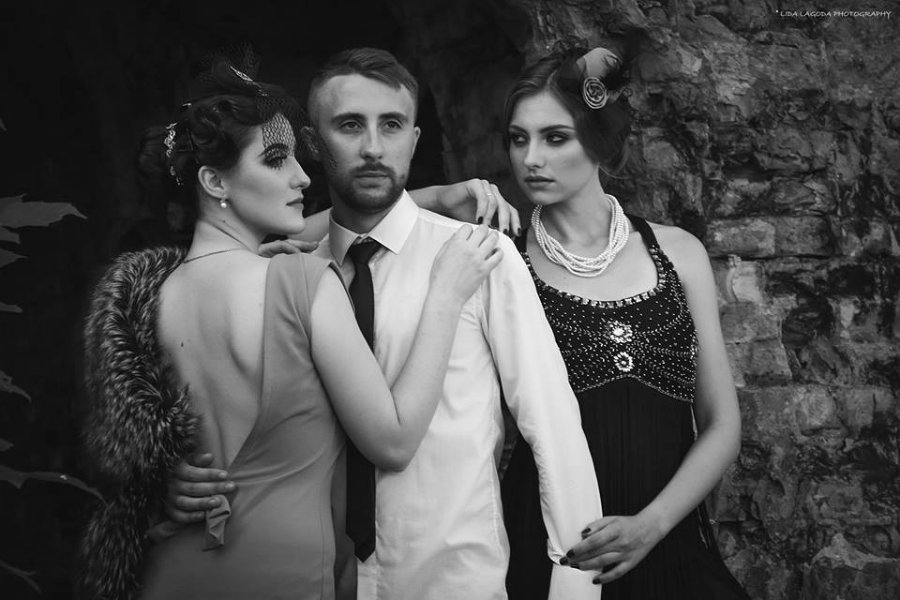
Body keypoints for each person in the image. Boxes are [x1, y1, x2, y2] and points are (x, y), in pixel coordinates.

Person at [166, 47, 604, 600]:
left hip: (452, 582)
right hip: (314, 579)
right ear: (313, 144)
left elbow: (553, 425)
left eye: (391, 125)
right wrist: (174, 479)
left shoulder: (477, 255)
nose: (374, 147)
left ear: (415, 141)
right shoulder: (286, 277)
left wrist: (576, 586)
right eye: (351, 125)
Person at [79, 59, 503, 600]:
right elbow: (393, 442)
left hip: (173, 574)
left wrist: (432, 198)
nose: (303, 177)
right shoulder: (300, 282)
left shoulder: (150, 300)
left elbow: (328, 224)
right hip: (280, 577)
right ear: (214, 181)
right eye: (277, 160)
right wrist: (446, 294)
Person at [499, 46, 751, 599]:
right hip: (555, 555)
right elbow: (328, 230)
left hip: (670, 544)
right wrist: (438, 195)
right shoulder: (503, 264)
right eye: (519, 139)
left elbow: (721, 423)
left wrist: (652, 526)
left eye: (554, 137)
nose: (531, 158)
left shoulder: (678, 253)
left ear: (599, 140)